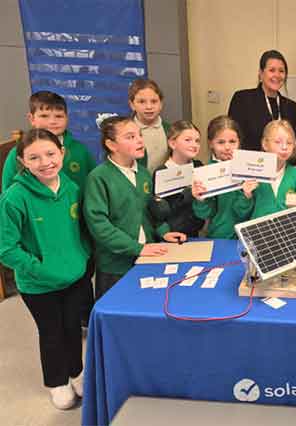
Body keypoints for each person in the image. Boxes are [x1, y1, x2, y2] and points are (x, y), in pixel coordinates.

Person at [0, 129, 89, 409]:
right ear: (23, 161)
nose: (45, 162)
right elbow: (6, 248)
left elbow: (79, 231)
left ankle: (76, 373)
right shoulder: (14, 197)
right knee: (52, 333)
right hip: (39, 285)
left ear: (61, 153)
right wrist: (38, 269)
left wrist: (82, 257)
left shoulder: (71, 187)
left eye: (51, 153)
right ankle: (57, 382)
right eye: (34, 157)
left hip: (75, 276)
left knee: (73, 328)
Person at [1, 90, 96, 327]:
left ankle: (84, 323)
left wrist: (84, 250)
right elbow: (8, 214)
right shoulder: (17, 162)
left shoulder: (79, 153)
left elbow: (89, 189)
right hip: (41, 253)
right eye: (44, 115)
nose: (52, 121)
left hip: (75, 244)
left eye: (58, 115)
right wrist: (37, 265)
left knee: (77, 311)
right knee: (54, 332)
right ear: (31, 118)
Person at [83, 116, 177, 300]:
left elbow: (149, 210)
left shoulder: (143, 173)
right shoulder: (99, 178)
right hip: (115, 266)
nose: (140, 140)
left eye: (139, 135)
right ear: (112, 145)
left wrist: (164, 231)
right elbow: (99, 225)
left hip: (147, 256)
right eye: (130, 137)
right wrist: (136, 247)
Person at [191, 116, 253, 239]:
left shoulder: (248, 169)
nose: (227, 147)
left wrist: (246, 196)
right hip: (219, 235)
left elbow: (244, 212)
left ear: (239, 142)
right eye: (221, 142)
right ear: (211, 144)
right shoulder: (205, 172)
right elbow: (204, 214)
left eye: (232, 142)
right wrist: (200, 200)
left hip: (247, 236)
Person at [229, 50, 296, 152]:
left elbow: (293, 142)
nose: (277, 75)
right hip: (251, 165)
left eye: (281, 71)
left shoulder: (291, 107)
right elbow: (233, 139)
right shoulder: (242, 99)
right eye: (272, 70)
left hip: (281, 164)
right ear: (261, 74)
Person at [241, 120, 296, 219]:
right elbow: (241, 213)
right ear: (265, 144)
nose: (284, 147)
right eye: (278, 142)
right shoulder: (253, 173)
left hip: (287, 230)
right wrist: (247, 195)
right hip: (258, 231)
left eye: (289, 143)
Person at [149, 120, 204, 239]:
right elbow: (158, 212)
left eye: (197, 141)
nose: (194, 145)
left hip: (195, 233)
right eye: (188, 140)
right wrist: (188, 194)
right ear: (172, 143)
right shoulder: (162, 172)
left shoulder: (199, 166)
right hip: (171, 236)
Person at [128, 78, 171, 173]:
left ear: (161, 104)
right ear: (132, 105)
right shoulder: (124, 133)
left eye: (154, 101)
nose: (149, 107)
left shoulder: (171, 130)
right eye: (142, 102)